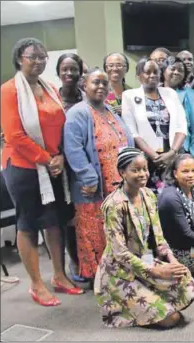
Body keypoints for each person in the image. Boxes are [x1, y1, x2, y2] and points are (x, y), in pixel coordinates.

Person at [1, 37, 81, 306]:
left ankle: (59, 276)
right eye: (31, 56)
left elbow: (60, 125)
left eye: (42, 57)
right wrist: (47, 158)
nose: (38, 61)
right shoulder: (9, 90)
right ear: (19, 58)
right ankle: (36, 284)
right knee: (28, 225)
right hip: (24, 167)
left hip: (53, 165)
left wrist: (58, 156)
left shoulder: (50, 89)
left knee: (54, 220)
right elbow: (14, 136)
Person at [94, 148, 194, 328]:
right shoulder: (114, 205)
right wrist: (156, 271)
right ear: (122, 172)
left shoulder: (148, 195)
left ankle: (152, 301)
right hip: (121, 272)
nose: (143, 174)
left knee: (184, 280)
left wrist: (172, 261)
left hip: (145, 259)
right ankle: (126, 306)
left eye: (144, 169)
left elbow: (159, 238)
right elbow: (120, 253)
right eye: (135, 170)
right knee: (172, 319)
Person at [64, 68, 134, 280]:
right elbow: (73, 148)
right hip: (93, 188)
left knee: (114, 230)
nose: (101, 87)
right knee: (94, 232)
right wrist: (88, 178)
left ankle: (116, 272)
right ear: (84, 85)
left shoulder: (110, 110)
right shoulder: (78, 113)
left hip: (116, 186)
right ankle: (98, 275)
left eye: (105, 83)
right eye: (96, 82)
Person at [122, 57, 188, 194]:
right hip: (146, 160)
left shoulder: (170, 93)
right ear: (139, 75)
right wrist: (154, 156)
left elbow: (181, 126)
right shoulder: (129, 96)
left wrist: (172, 152)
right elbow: (132, 132)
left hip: (172, 157)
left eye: (156, 72)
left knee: (175, 197)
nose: (152, 75)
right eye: (147, 72)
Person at [55, 52, 84, 282]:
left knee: (87, 216)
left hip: (85, 165)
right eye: (64, 69)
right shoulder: (52, 100)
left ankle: (90, 260)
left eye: (73, 69)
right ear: (58, 71)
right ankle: (74, 261)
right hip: (59, 168)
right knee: (68, 218)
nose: (69, 73)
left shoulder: (87, 98)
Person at [161, 56, 194, 164]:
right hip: (158, 151)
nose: (176, 72)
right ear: (163, 71)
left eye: (180, 70)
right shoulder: (154, 92)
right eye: (173, 68)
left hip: (183, 151)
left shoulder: (192, 95)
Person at [103, 52, 131, 117]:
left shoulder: (132, 92)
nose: (115, 69)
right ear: (105, 69)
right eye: (111, 65)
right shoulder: (101, 92)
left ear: (126, 68)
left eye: (119, 65)